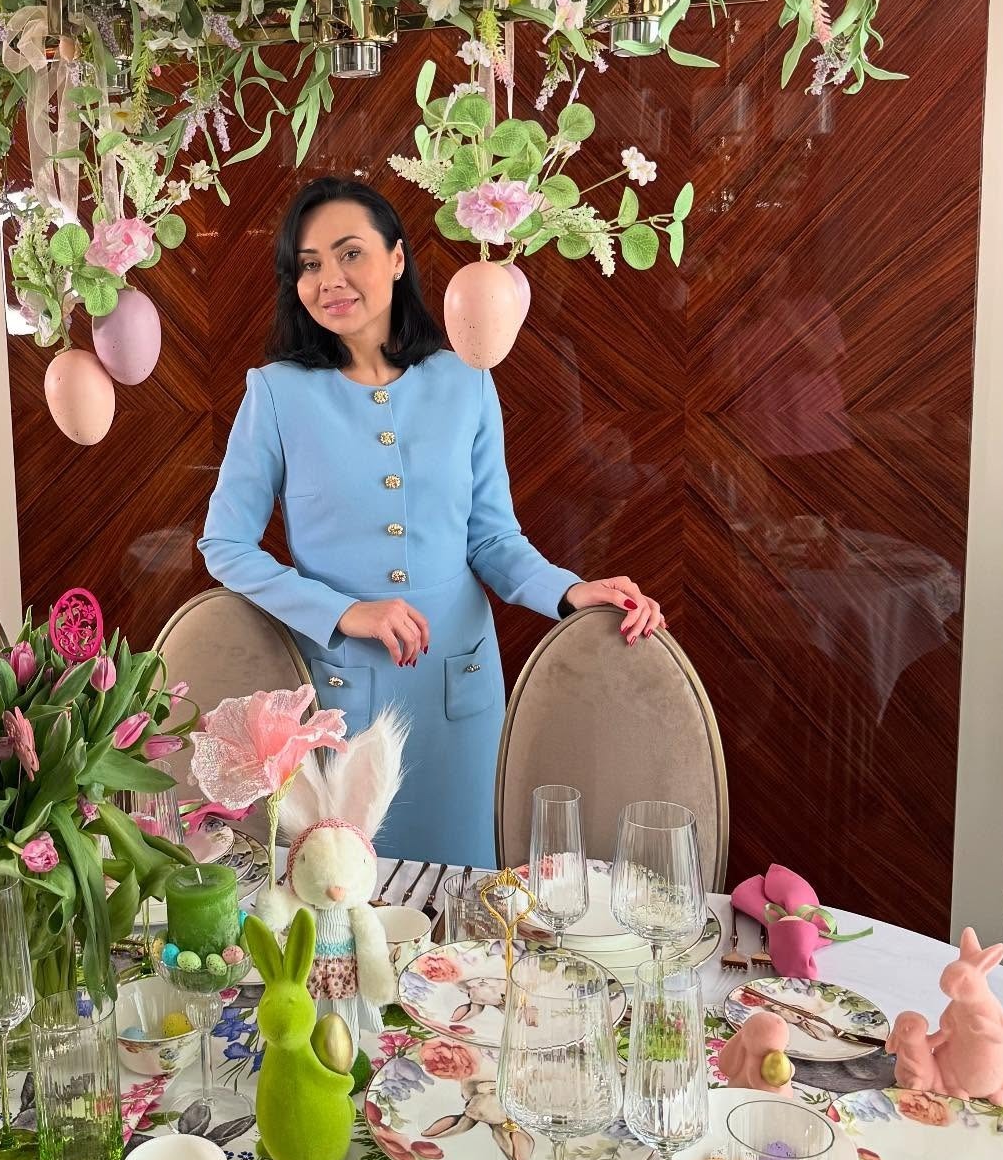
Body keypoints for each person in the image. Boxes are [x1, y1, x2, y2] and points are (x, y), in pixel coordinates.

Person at [198, 177, 664, 866]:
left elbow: (492, 538)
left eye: (350, 253)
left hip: (460, 691)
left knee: (464, 885)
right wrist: (344, 612)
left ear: (395, 258)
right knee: (344, 888)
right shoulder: (275, 394)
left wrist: (570, 591)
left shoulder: (467, 380)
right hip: (342, 695)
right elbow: (225, 545)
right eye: (309, 264)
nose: (330, 279)